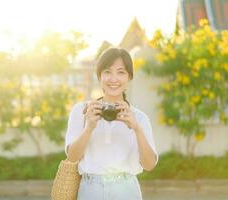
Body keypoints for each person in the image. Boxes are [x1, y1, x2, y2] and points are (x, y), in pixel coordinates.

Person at [65, 47, 158, 200]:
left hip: (126, 191)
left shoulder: (139, 118)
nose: (113, 79)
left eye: (121, 72)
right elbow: (73, 157)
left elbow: (149, 165)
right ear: (99, 76)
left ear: (129, 77)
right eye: (107, 72)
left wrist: (136, 128)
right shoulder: (82, 111)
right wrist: (89, 128)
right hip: (90, 190)